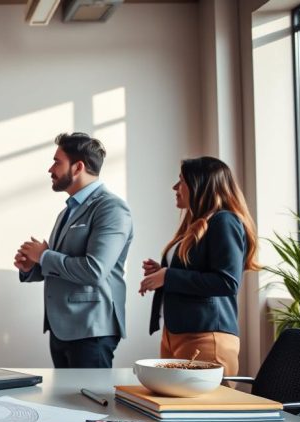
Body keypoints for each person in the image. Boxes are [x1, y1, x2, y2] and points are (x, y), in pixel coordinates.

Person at [14, 132, 134, 368]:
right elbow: (62, 267)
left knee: (89, 394)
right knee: (65, 394)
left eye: (57, 162)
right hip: (61, 329)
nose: (50, 169)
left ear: (78, 167)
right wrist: (32, 267)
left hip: (91, 330)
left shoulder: (111, 208)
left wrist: (44, 255)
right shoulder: (67, 211)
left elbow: (94, 270)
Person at [139, 156, 260, 376]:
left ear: (200, 185)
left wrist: (168, 276)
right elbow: (194, 271)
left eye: (181, 181)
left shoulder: (224, 221)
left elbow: (227, 282)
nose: (175, 187)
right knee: (171, 399)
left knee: (206, 401)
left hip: (205, 338)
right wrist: (162, 272)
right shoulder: (196, 224)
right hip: (176, 333)